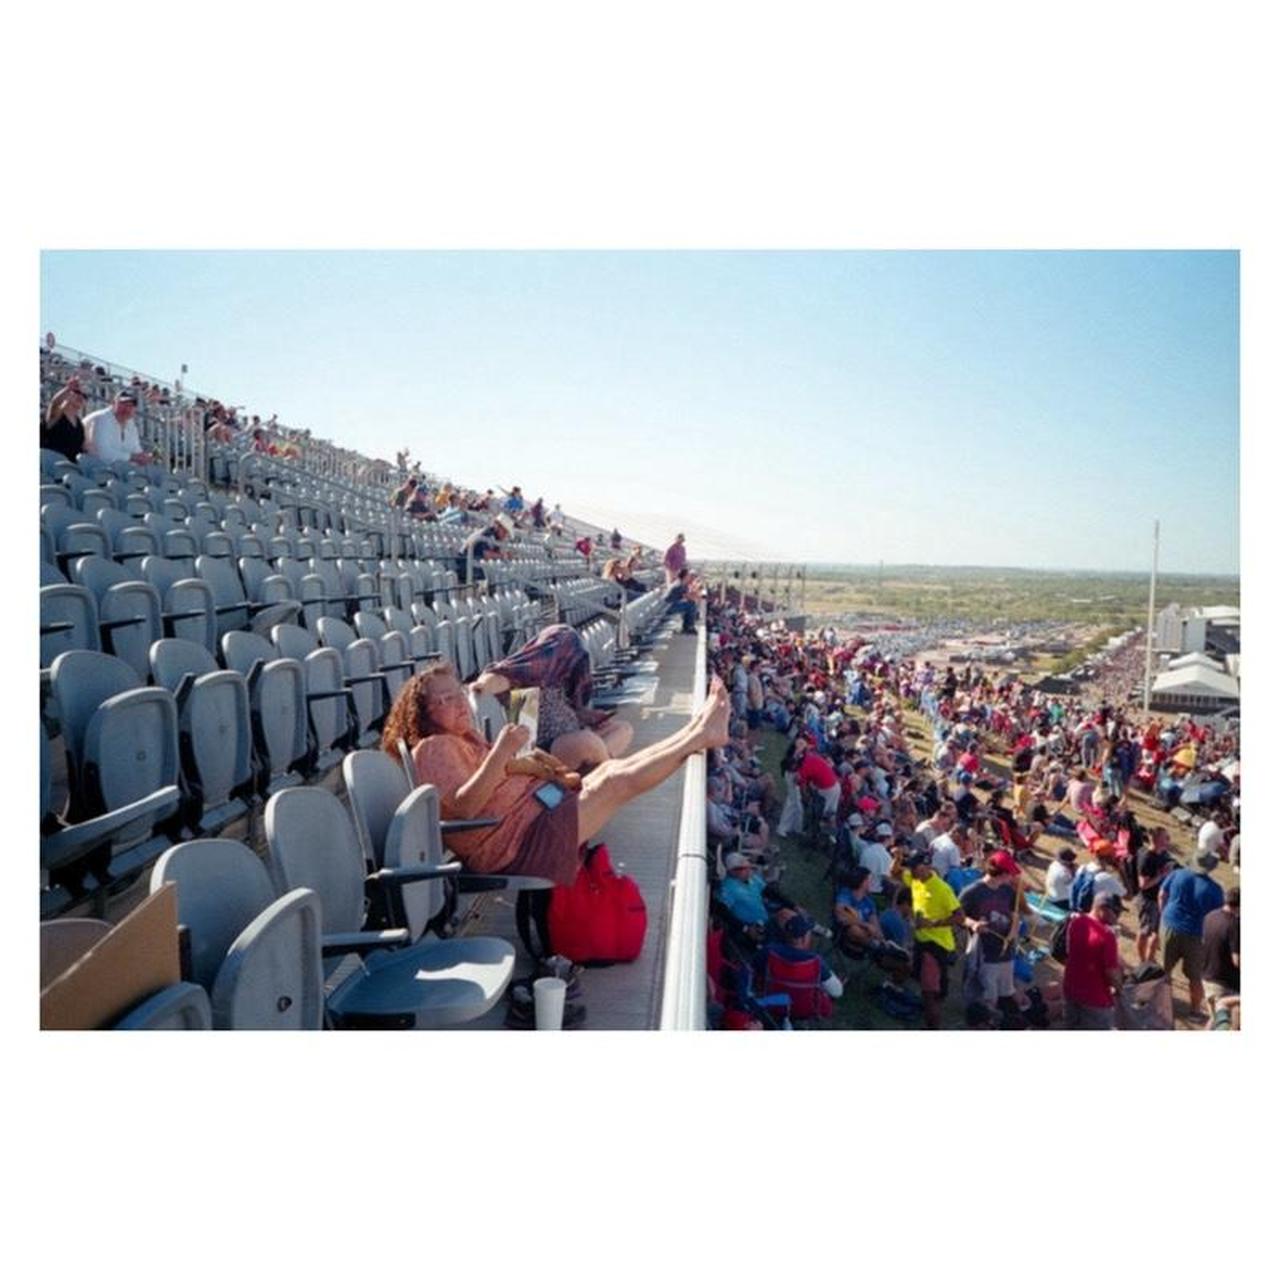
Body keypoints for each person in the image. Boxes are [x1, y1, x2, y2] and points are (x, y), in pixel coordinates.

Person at [383, 662, 730, 886]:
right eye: (445, 700)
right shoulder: (433, 748)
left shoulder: (464, 738)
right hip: (514, 844)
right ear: (423, 714)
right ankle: (700, 735)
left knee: (610, 770)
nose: (460, 703)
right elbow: (465, 808)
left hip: (535, 814)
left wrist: (537, 767)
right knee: (614, 782)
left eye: (459, 693)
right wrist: (502, 752)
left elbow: (500, 776)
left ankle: (696, 730)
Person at [469, 623, 634, 772]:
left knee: (622, 729)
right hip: (544, 750)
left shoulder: (561, 676)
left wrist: (591, 719)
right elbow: (497, 678)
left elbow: (575, 706)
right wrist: (481, 686)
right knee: (586, 742)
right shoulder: (523, 674)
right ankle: (604, 769)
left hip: (572, 734)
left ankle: (597, 762)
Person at [1159, 849, 1226, 1019]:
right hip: (1196, 935)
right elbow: (1217, 917)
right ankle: (1195, 1010)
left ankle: (1162, 1005)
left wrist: (1164, 915)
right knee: (1195, 977)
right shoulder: (1215, 890)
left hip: (1170, 926)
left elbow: (1162, 895)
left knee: (1164, 970)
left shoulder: (1177, 874)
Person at [902, 849, 964, 1030]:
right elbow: (895, 872)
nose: (911, 871)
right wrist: (897, 857)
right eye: (911, 867)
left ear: (926, 867)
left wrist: (934, 923)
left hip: (936, 945)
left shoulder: (943, 889)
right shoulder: (915, 879)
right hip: (920, 942)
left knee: (930, 992)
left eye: (915, 867)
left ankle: (933, 1027)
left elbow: (960, 917)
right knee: (924, 985)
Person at [959, 851, 1024, 1012]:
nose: (1012, 877)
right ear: (1002, 873)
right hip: (984, 954)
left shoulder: (1008, 891)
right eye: (1010, 873)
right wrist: (973, 924)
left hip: (1006, 952)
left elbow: (1014, 914)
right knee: (987, 998)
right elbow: (958, 917)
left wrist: (1014, 930)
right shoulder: (972, 892)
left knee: (1006, 993)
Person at [1062, 892, 1124, 1030]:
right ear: (1102, 908)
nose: (1118, 917)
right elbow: (1111, 973)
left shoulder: (1075, 922)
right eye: (1116, 912)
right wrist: (1119, 988)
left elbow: (1070, 953)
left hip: (1071, 990)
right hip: (1095, 999)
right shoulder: (1107, 935)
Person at [1200, 884, 1240, 1024]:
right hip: (1223, 984)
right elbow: (1237, 960)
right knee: (1224, 1023)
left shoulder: (1210, 916)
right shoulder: (1234, 925)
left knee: (1215, 1020)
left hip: (1207, 977)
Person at [1135, 827, 1175, 965]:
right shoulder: (1147, 857)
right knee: (1145, 931)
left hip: (1160, 899)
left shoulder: (1163, 854)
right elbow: (1143, 885)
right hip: (1148, 900)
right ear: (1157, 840)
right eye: (1165, 837)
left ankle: (1151, 959)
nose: (1168, 840)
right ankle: (1142, 961)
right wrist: (1162, 875)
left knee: (1157, 932)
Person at [83, 389, 153, 466]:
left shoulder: (130, 423)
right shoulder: (102, 418)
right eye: (123, 404)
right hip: (89, 467)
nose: (127, 408)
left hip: (112, 469)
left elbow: (135, 449)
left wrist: (144, 457)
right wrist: (132, 457)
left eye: (131, 405)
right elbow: (102, 453)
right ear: (113, 404)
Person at [718, 851, 771, 927]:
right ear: (732, 872)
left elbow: (770, 892)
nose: (748, 870)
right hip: (750, 927)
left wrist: (788, 905)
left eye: (748, 867)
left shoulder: (753, 878)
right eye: (744, 868)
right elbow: (722, 911)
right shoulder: (728, 887)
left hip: (765, 920)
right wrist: (744, 928)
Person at [42, 376, 87, 460]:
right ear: (67, 395)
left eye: (84, 395)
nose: (81, 396)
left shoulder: (80, 425)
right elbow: (54, 403)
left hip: (71, 466)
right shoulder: (57, 415)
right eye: (77, 392)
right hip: (52, 464)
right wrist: (68, 388)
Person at [664, 568, 701, 634]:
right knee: (691, 606)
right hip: (668, 607)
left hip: (672, 604)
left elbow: (689, 597)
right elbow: (689, 597)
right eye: (688, 575)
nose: (690, 577)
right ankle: (689, 627)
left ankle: (687, 627)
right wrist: (697, 597)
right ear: (685, 576)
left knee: (691, 605)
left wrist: (695, 597)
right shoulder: (679, 584)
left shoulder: (683, 584)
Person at [1044, 846, 1077, 911]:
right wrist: (1074, 874)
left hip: (1051, 895)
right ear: (1067, 861)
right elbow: (1074, 889)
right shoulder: (1064, 874)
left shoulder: (1054, 864)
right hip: (1060, 901)